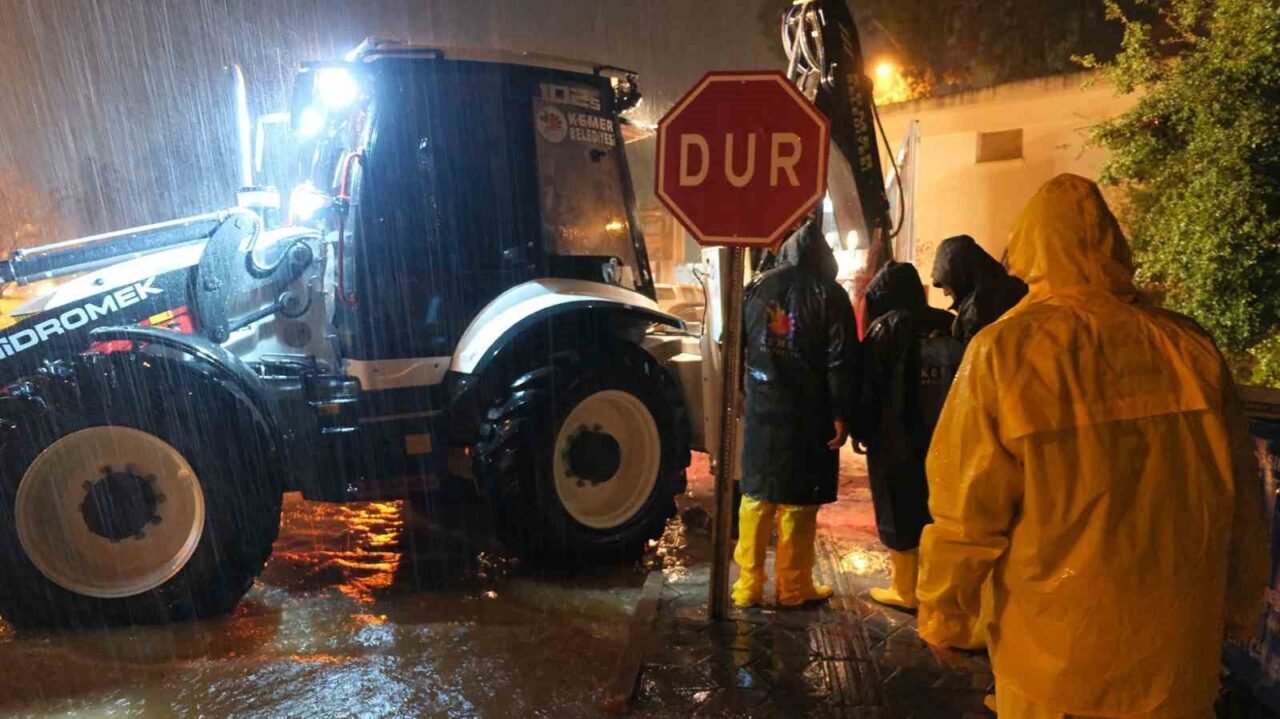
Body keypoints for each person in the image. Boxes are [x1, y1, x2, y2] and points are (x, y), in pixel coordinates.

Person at [918, 174, 1269, 718]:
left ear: (1029, 247)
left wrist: (944, 614)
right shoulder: (1190, 347)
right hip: (1177, 658)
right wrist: (1240, 606)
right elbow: (1242, 497)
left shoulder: (1004, 352)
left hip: (1054, 663)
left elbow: (966, 509)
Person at [733, 225, 858, 609]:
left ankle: (748, 586)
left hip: (762, 408)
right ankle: (793, 587)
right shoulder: (830, 295)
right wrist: (841, 413)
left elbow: (733, 342)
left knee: (756, 495)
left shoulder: (756, 288)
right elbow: (840, 361)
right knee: (798, 503)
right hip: (809, 412)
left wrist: (739, 390)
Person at [856, 261, 963, 611]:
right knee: (933, 506)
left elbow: (868, 386)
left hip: (894, 436)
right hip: (944, 434)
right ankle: (933, 584)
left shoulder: (884, 329)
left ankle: (905, 589)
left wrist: (860, 428)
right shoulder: (948, 323)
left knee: (897, 506)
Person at [930, 233, 1027, 343]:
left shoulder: (979, 307)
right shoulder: (1011, 286)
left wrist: (938, 345)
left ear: (961, 275)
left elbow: (972, 350)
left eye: (948, 285)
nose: (945, 293)